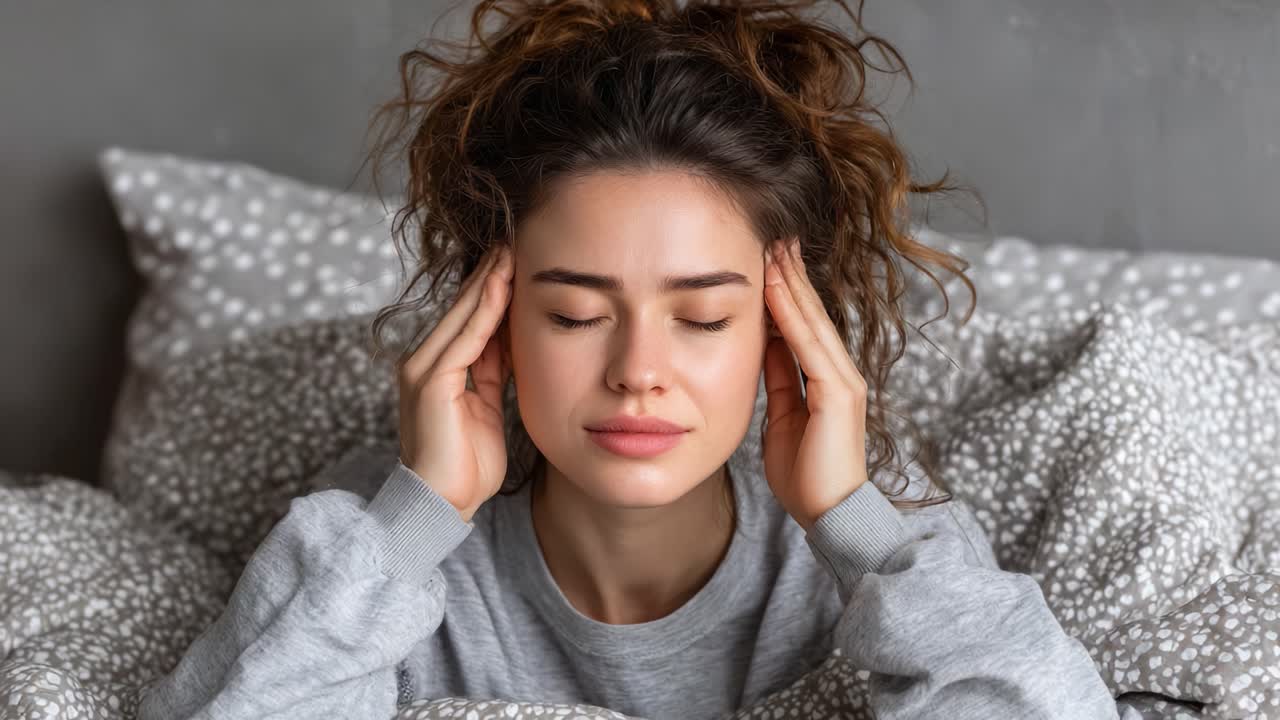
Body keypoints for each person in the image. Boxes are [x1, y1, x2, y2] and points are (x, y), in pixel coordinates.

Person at [136, 0, 1128, 717]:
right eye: (572, 313)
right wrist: (416, 514)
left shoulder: (877, 546)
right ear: (495, 322)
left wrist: (854, 523)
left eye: (700, 318)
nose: (637, 370)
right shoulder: (382, 544)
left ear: (779, 334)